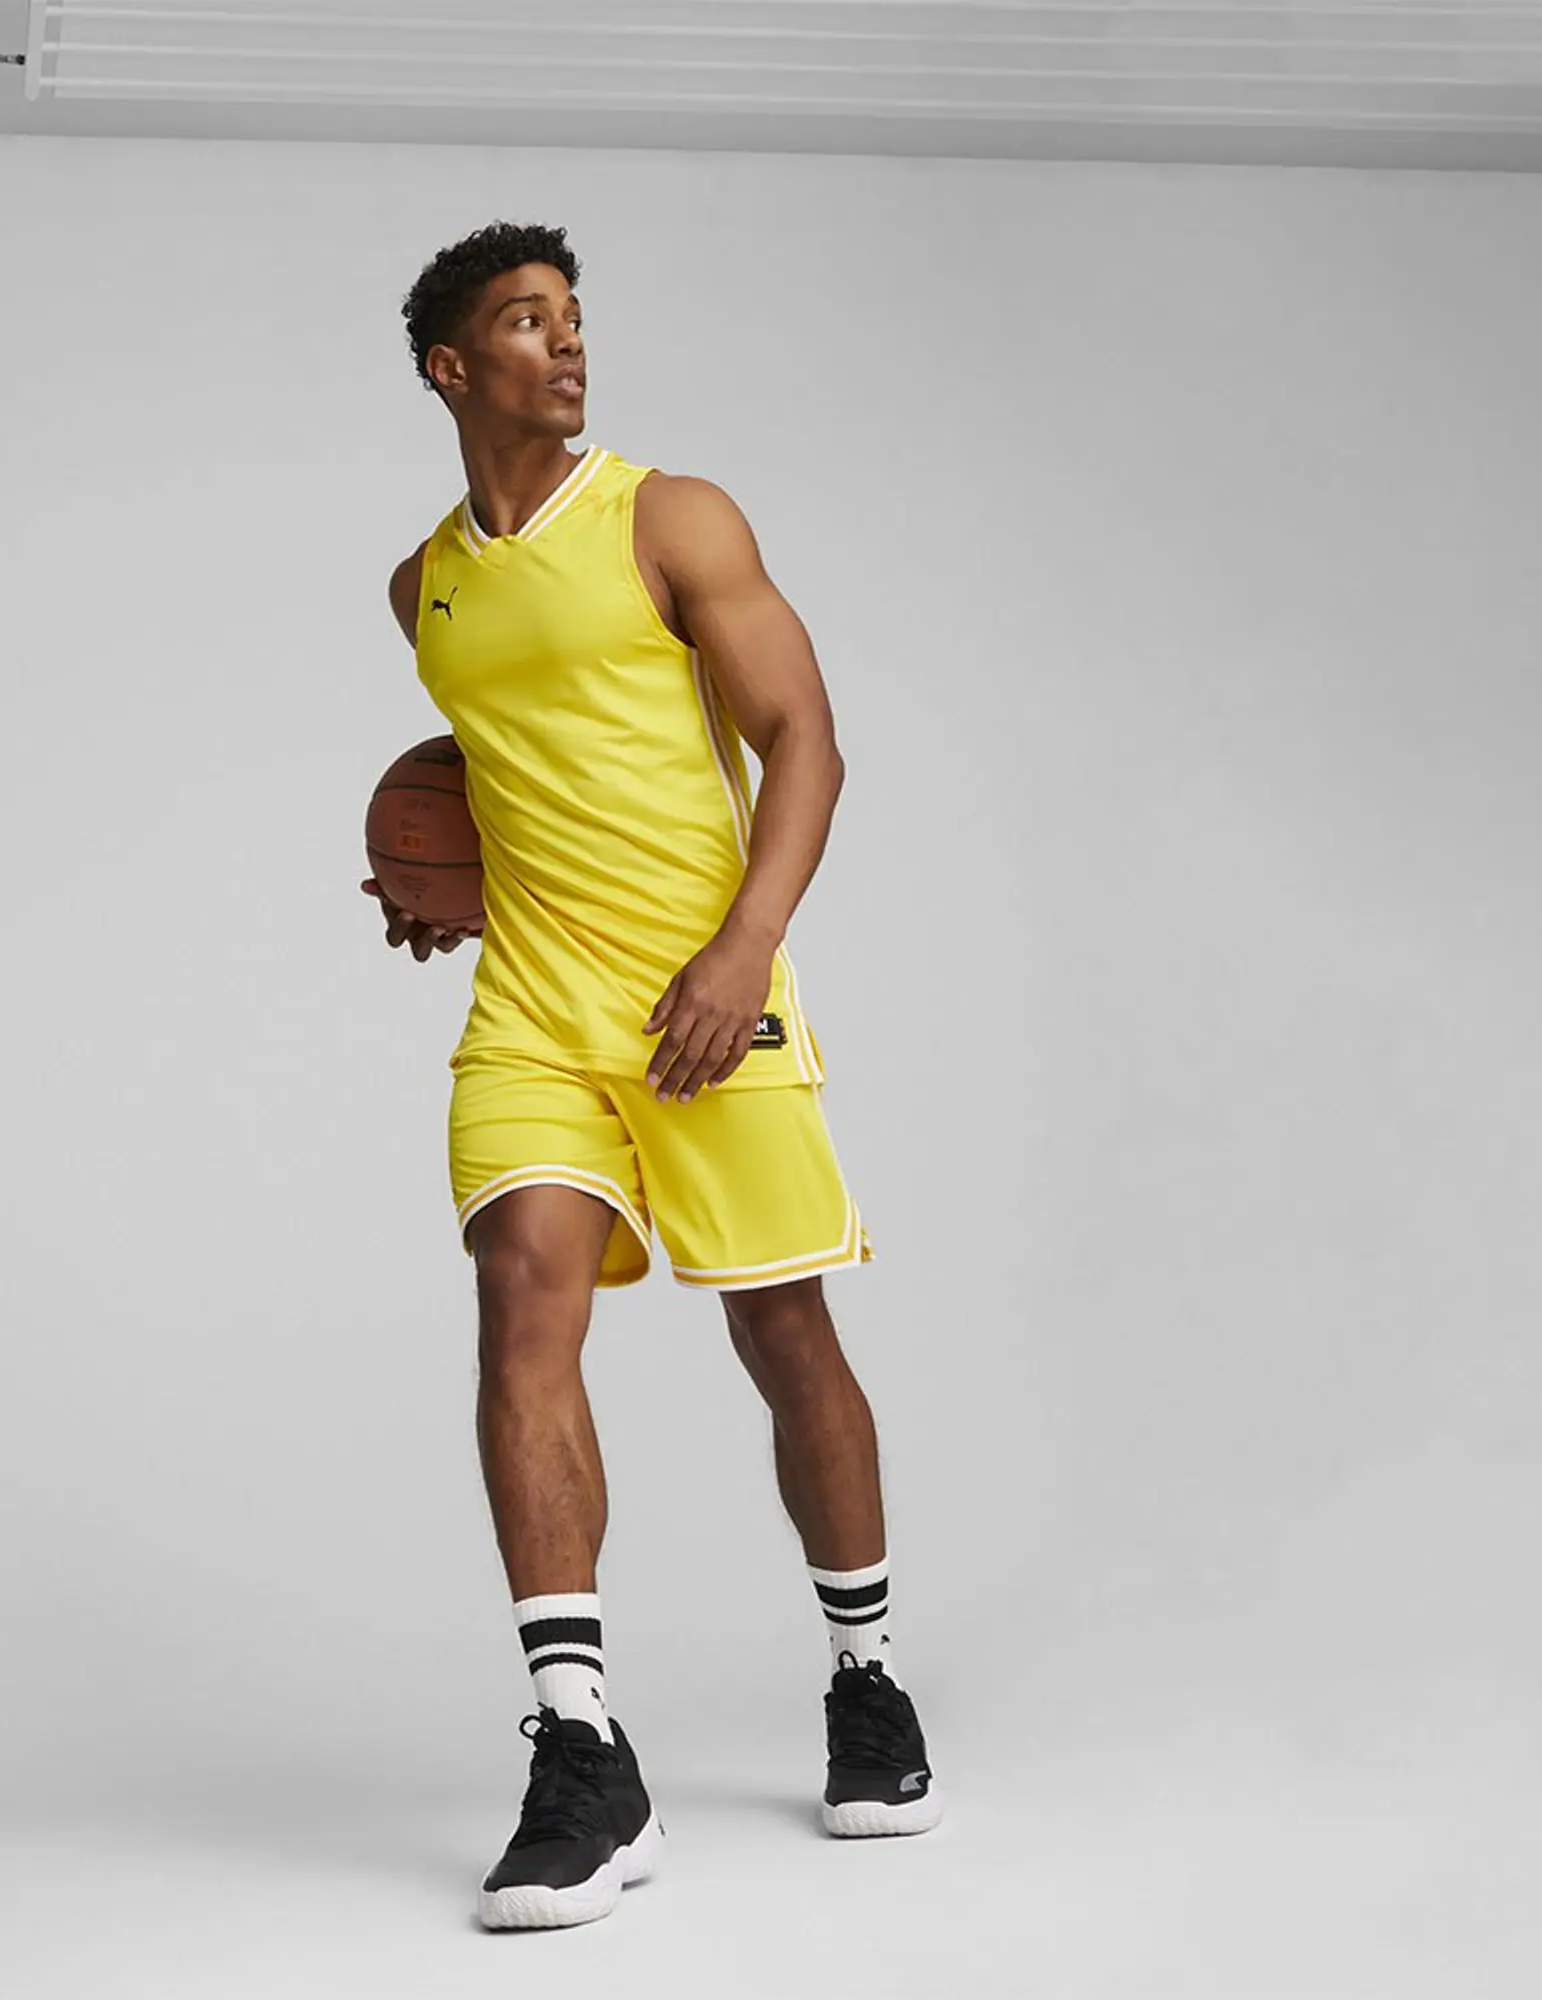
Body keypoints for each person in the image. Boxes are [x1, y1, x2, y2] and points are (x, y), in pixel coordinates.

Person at [361, 220, 940, 1932]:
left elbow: (806, 738)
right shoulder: (421, 587)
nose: (567, 343)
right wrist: (439, 884)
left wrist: (746, 948)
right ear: (451, 368)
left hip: (703, 1005)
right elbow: (509, 767)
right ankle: (581, 1749)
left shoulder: (672, 518)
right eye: (525, 321)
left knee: (785, 1333)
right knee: (519, 1299)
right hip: (534, 1016)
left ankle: (867, 1676)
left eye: (574, 317)